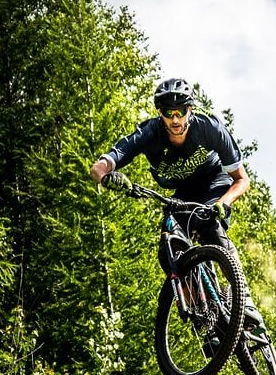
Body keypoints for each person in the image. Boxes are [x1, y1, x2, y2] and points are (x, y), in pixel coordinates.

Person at [90, 77, 263, 328]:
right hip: (182, 192)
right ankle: (205, 318)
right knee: (168, 249)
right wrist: (108, 177)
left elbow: (241, 179)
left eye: (180, 112)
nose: (175, 119)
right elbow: (99, 167)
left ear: (189, 110)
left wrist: (224, 203)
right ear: (160, 113)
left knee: (209, 225)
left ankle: (244, 300)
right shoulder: (149, 133)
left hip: (215, 184)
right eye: (168, 113)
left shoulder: (209, 129)